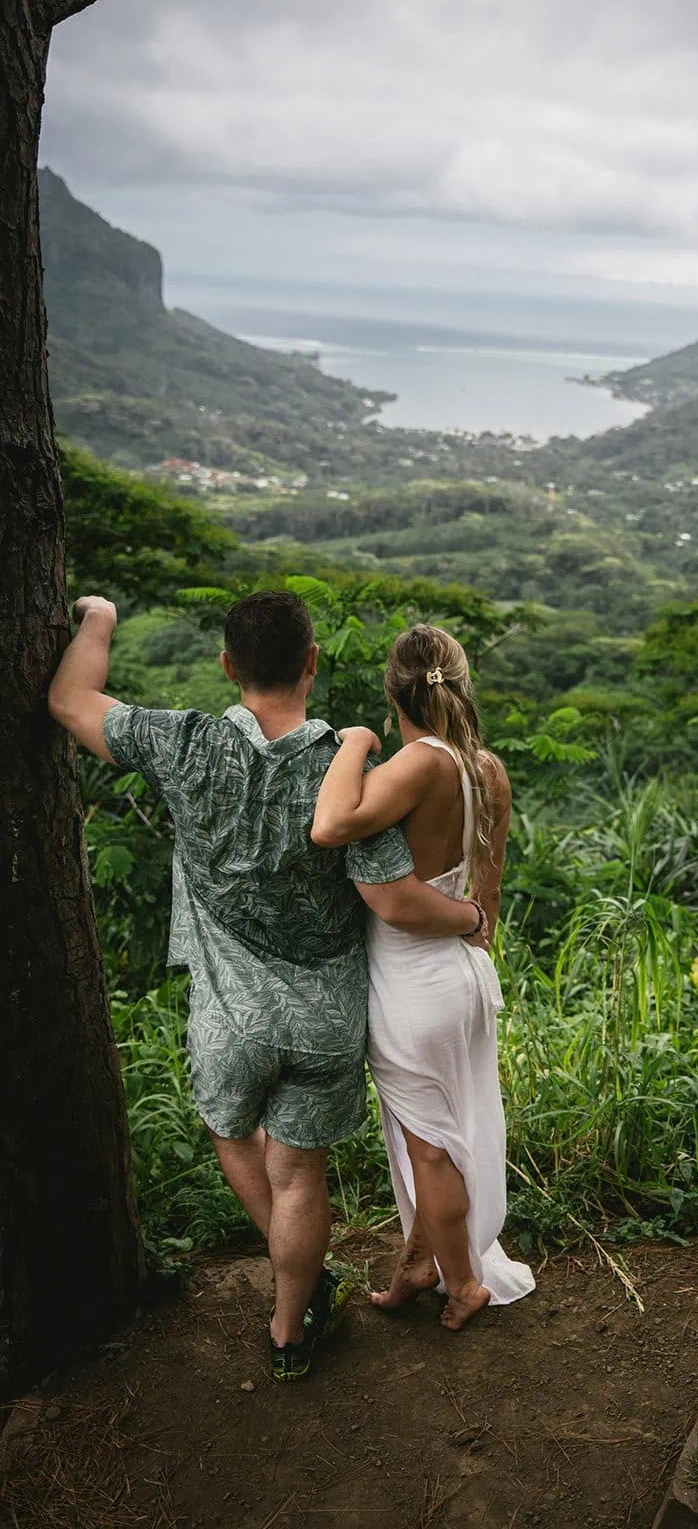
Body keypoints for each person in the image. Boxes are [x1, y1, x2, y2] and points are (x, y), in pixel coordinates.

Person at [49, 591, 486, 1381]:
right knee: (300, 1170)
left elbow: (70, 700)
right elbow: (390, 896)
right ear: (312, 664)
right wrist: (471, 917)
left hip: (229, 1015)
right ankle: (289, 1328)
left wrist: (102, 617)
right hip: (326, 1016)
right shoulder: (349, 779)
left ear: (227, 666)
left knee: (230, 1129)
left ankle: (304, 1298)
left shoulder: (182, 742)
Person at [312, 623, 535, 1330]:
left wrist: (352, 743)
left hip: (412, 979)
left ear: (394, 692)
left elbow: (331, 824)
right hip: (465, 970)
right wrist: (473, 940)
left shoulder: (418, 765)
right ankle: (419, 1261)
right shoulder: (486, 768)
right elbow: (486, 898)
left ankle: (463, 1282)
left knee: (428, 1147)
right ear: (458, 684)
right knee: (435, 1129)